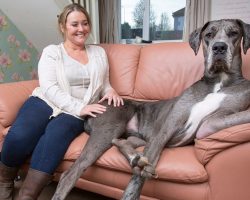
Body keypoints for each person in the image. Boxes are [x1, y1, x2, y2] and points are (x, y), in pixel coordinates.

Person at [0, 3, 123, 200]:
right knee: (21, 135)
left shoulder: (99, 53)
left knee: (53, 139)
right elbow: (49, 87)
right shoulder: (52, 52)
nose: (81, 29)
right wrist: (80, 107)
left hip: (76, 111)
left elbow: (104, 83)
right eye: (74, 24)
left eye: (85, 23)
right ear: (63, 27)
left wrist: (111, 91)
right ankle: (5, 180)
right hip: (47, 101)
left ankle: (27, 195)